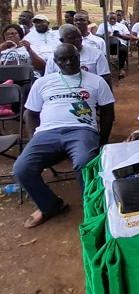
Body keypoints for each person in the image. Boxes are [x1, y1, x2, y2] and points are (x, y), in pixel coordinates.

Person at [14, 43, 114, 228]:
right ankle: (49, 205)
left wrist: (103, 142)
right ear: (55, 61)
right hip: (47, 132)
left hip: (82, 131)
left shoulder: (96, 81)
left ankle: (92, 207)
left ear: (79, 58)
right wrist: (33, 138)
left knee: (85, 163)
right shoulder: (43, 82)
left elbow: (108, 112)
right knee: (21, 168)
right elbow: (30, 114)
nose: (69, 62)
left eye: (73, 58)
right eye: (63, 59)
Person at [44, 24, 110, 84]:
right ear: (62, 40)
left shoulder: (96, 54)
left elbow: (105, 79)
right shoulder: (55, 57)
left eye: (79, 37)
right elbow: (48, 80)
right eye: (72, 38)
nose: (77, 40)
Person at [96, 12, 131, 78]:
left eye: (114, 19)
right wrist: (104, 35)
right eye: (111, 18)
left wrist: (120, 35)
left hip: (120, 45)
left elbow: (128, 37)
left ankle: (120, 69)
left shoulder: (121, 26)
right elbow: (97, 36)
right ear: (107, 18)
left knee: (123, 50)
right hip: (106, 46)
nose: (112, 20)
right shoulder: (102, 25)